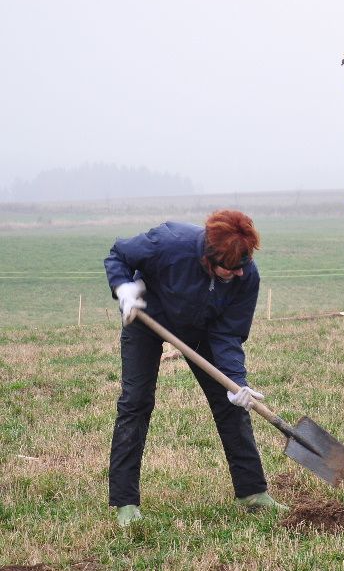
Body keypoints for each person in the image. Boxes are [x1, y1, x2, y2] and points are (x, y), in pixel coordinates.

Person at [104, 209, 286, 527]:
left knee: (230, 403)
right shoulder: (168, 242)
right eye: (230, 269)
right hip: (147, 319)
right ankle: (125, 503)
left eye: (243, 265)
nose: (240, 273)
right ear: (208, 259)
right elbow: (119, 253)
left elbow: (228, 333)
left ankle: (252, 492)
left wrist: (236, 381)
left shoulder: (246, 275)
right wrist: (123, 287)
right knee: (135, 403)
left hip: (204, 329)